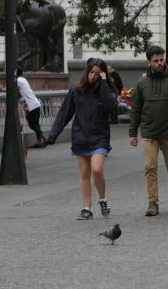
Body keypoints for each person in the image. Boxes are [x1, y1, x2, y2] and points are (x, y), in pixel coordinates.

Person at [46, 58, 118, 220]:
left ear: (103, 75)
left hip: (100, 137)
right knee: (85, 173)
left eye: (98, 73)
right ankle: (87, 208)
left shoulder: (107, 92)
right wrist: (52, 136)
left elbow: (109, 107)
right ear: (86, 72)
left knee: (97, 168)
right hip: (81, 136)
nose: (93, 76)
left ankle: (103, 199)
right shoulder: (76, 91)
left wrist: (105, 83)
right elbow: (64, 113)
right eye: (91, 72)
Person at [129, 45, 168, 216]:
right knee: (150, 167)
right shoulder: (142, 83)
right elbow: (136, 108)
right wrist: (132, 133)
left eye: (161, 60)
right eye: (155, 61)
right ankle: (153, 202)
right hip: (149, 133)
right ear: (149, 62)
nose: (159, 63)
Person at [0, 69, 47, 148]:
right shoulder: (23, 79)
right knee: (36, 124)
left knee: (32, 125)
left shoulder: (18, 80)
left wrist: (1, 89)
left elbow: (11, 90)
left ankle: (45, 137)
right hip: (35, 104)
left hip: (31, 106)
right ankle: (40, 142)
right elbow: (17, 93)